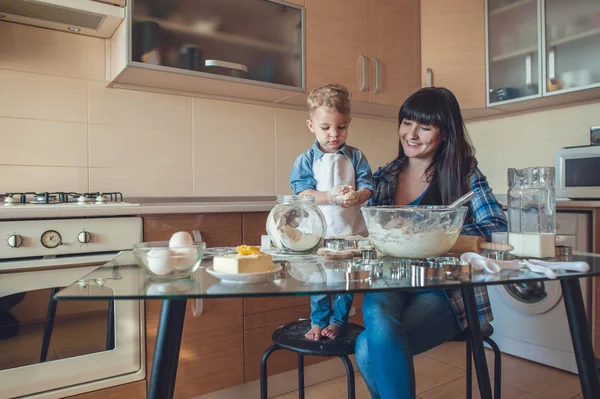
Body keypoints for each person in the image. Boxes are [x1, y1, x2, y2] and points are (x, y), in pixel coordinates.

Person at [355, 87, 507, 398]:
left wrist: (433, 234)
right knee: (373, 304)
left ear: (445, 133)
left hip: (446, 289)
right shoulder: (383, 177)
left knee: (366, 348)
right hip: (391, 281)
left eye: (425, 127)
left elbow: (496, 226)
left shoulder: (463, 174)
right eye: (407, 122)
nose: (411, 134)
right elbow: (364, 231)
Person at [289, 83, 374, 340]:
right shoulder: (306, 160)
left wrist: (358, 196)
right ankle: (317, 321)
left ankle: (338, 321)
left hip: (350, 232)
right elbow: (302, 192)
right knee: (320, 282)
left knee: (346, 283)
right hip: (320, 233)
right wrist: (330, 196)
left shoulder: (356, 157)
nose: (334, 134)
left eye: (341, 127)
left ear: (349, 123)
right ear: (311, 126)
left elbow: (368, 185)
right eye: (325, 128)